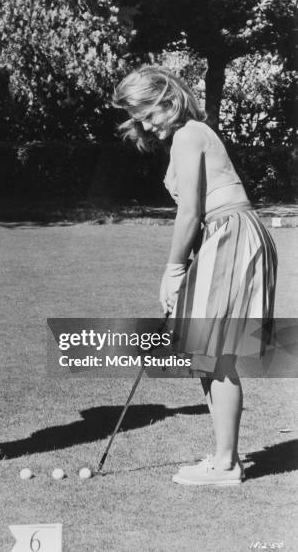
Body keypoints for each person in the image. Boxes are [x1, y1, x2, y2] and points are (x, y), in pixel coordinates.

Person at [113, 66, 277, 486]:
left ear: (169, 98)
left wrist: (172, 270)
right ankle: (225, 456)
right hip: (226, 235)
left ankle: (225, 464)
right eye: (140, 118)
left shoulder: (188, 134)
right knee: (206, 350)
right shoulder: (192, 135)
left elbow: (190, 211)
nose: (147, 125)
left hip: (229, 233)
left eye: (149, 113)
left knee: (214, 350)